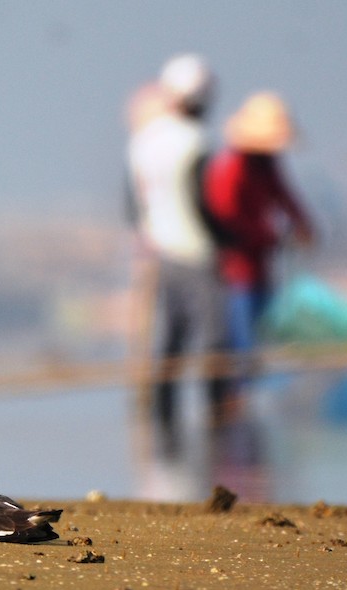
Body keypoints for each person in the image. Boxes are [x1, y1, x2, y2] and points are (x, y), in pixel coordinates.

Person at [125, 54, 226, 430]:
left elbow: (133, 202)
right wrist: (224, 241)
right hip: (197, 250)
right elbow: (203, 202)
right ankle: (217, 415)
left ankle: (161, 417)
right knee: (215, 339)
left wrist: (147, 237)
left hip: (159, 252)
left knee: (170, 341)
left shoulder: (144, 139)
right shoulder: (196, 141)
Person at [205, 91, 314, 413]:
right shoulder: (231, 169)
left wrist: (301, 223)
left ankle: (250, 397)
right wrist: (269, 237)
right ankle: (236, 402)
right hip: (235, 272)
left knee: (259, 334)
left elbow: (284, 195)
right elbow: (226, 222)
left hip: (260, 267)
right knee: (241, 342)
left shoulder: (266, 165)